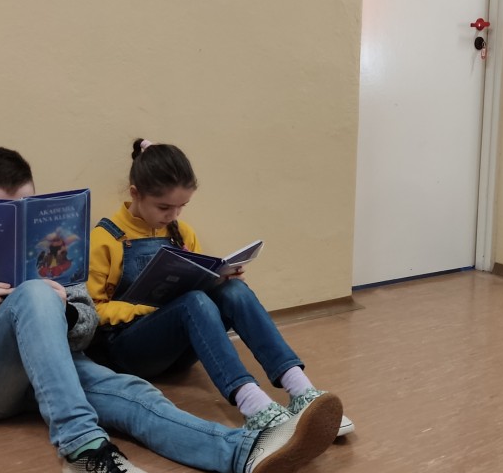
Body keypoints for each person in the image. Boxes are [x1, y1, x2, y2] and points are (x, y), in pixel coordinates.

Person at [0, 146, 343, 473]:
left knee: (137, 396)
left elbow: (86, 324)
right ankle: (82, 450)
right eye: (2, 213)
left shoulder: (51, 248)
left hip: (51, 378)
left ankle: (244, 453)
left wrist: (65, 312)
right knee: (34, 293)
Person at [87, 139, 354, 437]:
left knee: (234, 291)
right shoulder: (105, 239)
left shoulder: (181, 232)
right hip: (129, 351)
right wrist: (150, 306)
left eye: (181, 207)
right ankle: (252, 404)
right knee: (193, 301)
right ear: (136, 193)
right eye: (164, 207)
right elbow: (93, 311)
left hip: (177, 348)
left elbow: (195, 282)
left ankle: (300, 388)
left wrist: (219, 279)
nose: (173, 216)